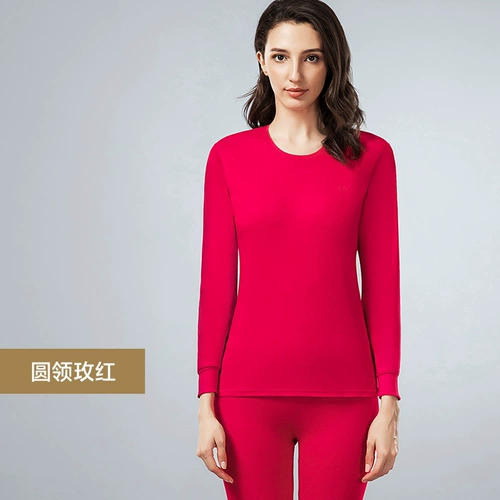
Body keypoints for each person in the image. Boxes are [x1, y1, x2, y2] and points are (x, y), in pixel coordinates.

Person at [195, 1, 401, 498]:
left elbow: (383, 286)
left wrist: (389, 402)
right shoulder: (228, 158)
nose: (295, 74)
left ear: (331, 62)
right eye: (281, 57)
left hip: (345, 397)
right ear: (261, 61)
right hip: (246, 396)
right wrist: (206, 403)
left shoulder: (370, 157)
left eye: (312, 57)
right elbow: (216, 287)